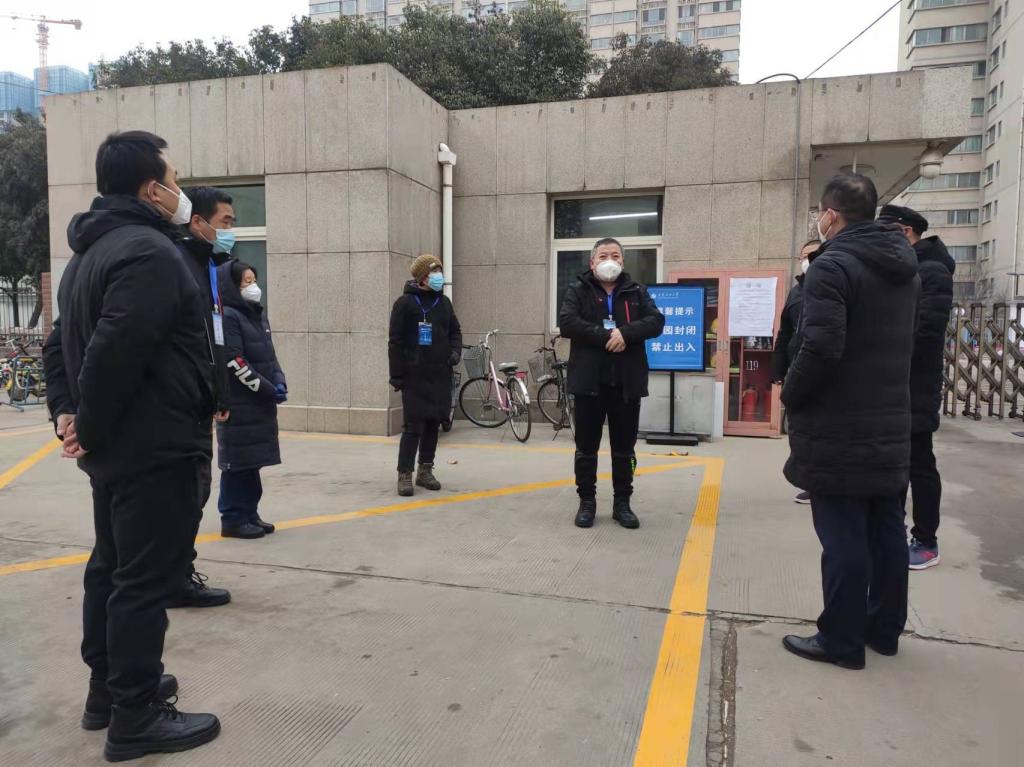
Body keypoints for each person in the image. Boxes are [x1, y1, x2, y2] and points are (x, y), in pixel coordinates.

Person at [41, 130, 220, 760]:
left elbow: (59, 348)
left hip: (119, 447)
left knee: (112, 569)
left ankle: (109, 692)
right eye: (174, 181)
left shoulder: (88, 257)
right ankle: (136, 715)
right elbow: (113, 352)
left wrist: (68, 415)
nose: (180, 192)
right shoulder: (148, 252)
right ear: (151, 190)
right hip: (154, 445)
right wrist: (84, 423)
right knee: (143, 581)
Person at [781, 174, 920, 670]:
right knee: (886, 531)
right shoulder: (905, 268)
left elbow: (821, 347)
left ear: (831, 215)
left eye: (820, 212)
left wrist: (791, 394)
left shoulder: (832, 266)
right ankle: (883, 630)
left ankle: (840, 640)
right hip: (890, 421)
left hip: (840, 426)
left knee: (842, 537)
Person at [558, 237, 665, 529]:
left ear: (622, 261)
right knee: (586, 449)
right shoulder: (578, 290)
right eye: (603, 255)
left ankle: (623, 503)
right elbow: (567, 323)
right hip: (588, 382)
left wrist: (626, 334)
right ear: (592, 262)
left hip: (626, 383)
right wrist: (607, 336)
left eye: (615, 255)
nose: (609, 260)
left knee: (624, 449)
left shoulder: (636, 291)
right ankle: (587, 502)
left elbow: (656, 321)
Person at [166, 186, 236, 607]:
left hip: (200, 403)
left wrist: (219, 395)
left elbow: (214, 340)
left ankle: (177, 573)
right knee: (183, 496)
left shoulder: (206, 266)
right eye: (225, 222)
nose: (230, 231)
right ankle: (171, 579)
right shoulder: (175, 264)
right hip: (179, 407)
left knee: (196, 493)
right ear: (198, 222)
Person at [877, 204, 955, 570]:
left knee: (919, 463)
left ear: (905, 231)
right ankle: (893, 530)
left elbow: (925, 333)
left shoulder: (932, 271)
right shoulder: (902, 269)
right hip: (892, 383)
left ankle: (926, 540)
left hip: (915, 385)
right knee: (894, 463)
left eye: (886, 232)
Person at [216, 260, 286, 538]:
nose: (253, 286)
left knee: (252, 463)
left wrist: (279, 380)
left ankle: (249, 513)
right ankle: (233, 518)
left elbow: (270, 355)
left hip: (259, 404)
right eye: (246, 281)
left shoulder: (256, 314)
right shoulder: (229, 317)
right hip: (240, 404)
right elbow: (234, 360)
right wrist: (266, 388)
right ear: (232, 286)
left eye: (254, 280)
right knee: (237, 464)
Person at [389, 254, 462, 496]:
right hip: (414, 375)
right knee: (413, 426)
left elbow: (455, 331)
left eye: (439, 271)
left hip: (440, 374)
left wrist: (455, 353)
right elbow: (395, 342)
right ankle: (404, 473)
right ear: (421, 277)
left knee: (433, 423)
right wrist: (396, 375)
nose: (439, 276)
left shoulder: (444, 303)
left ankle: (425, 470)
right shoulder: (404, 304)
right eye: (434, 272)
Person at [772, 239, 822, 506]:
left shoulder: (831, 285)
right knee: (799, 429)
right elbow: (785, 333)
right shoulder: (796, 292)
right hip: (796, 368)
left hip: (822, 370)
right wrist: (778, 370)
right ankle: (811, 482)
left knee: (820, 430)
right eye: (803, 256)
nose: (806, 261)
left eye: (812, 255)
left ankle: (821, 485)